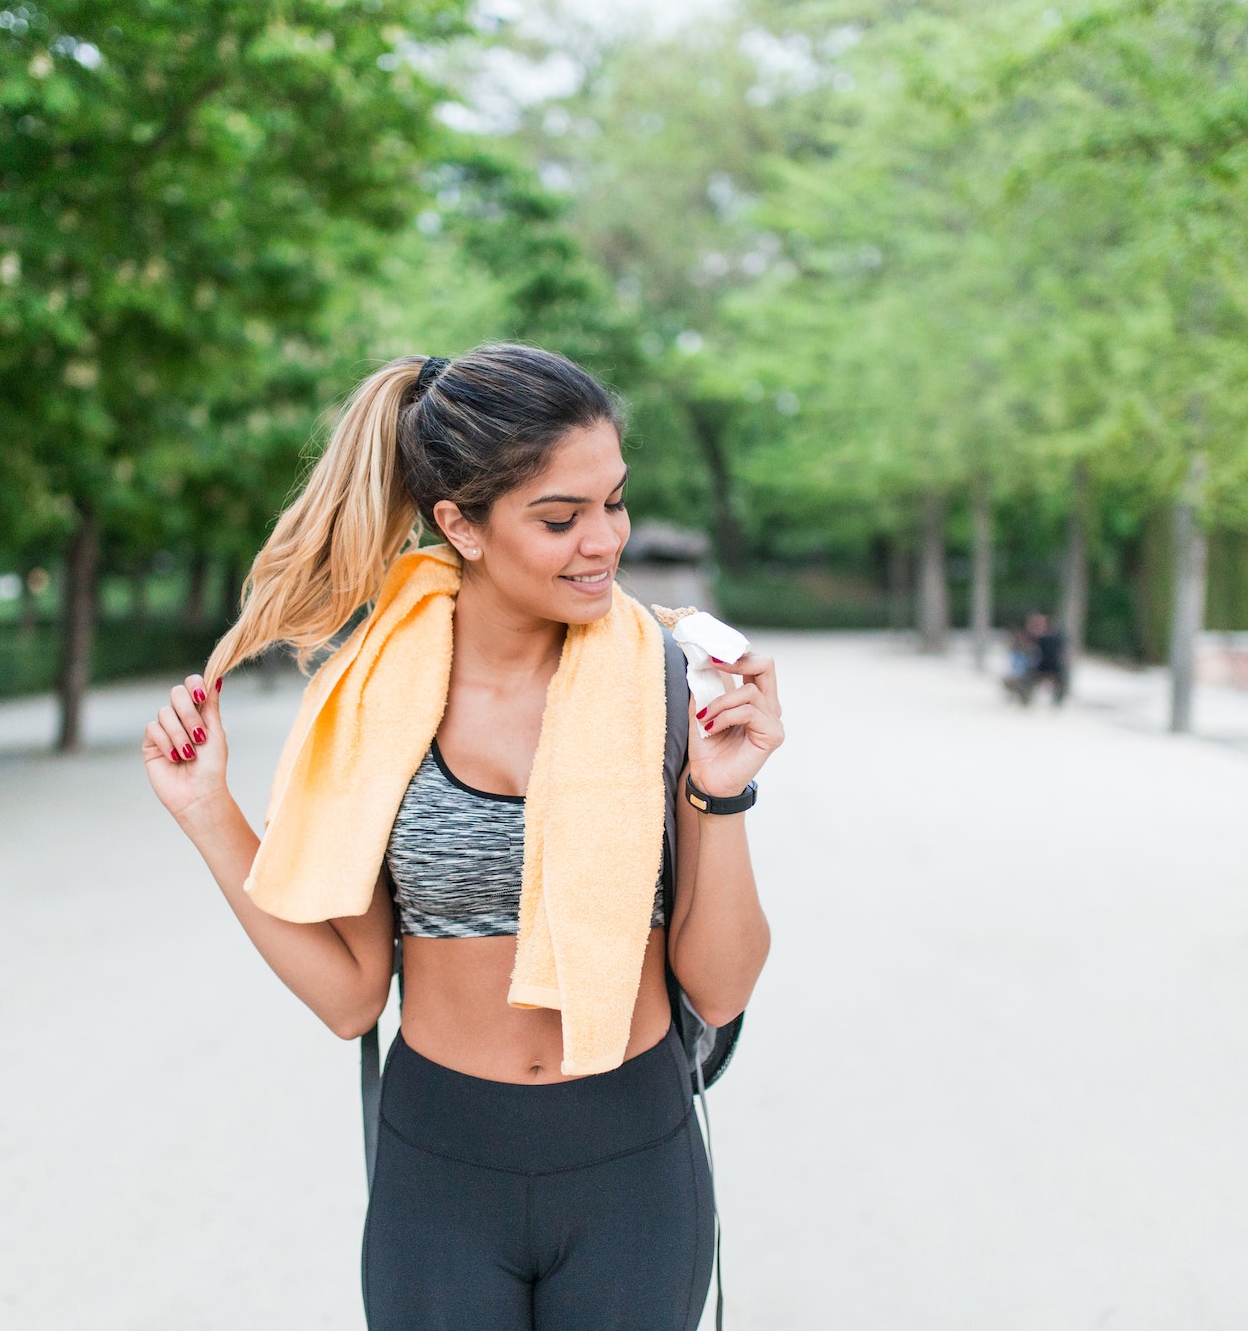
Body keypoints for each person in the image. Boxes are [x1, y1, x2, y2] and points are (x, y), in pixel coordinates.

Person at [141, 345, 779, 1330]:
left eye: (612, 503)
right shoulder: (369, 701)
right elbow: (352, 993)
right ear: (457, 523)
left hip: (631, 1158)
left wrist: (719, 794)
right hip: (440, 1169)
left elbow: (720, 986)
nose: (602, 541)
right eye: (559, 518)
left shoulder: (662, 678)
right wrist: (206, 812)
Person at [1005, 610, 1069, 706]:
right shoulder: (1057, 637)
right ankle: (1026, 698)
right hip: (1049, 669)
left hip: (1044, 668)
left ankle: (1025, 699)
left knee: (1025, 677)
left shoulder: (1039, 638)